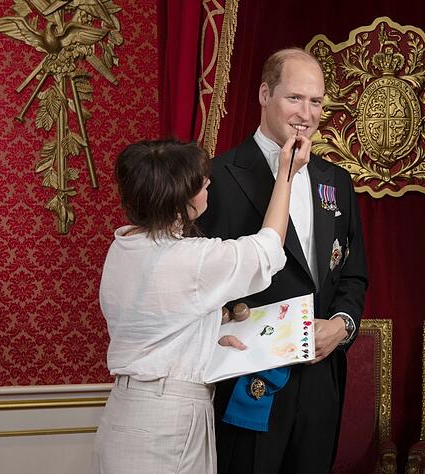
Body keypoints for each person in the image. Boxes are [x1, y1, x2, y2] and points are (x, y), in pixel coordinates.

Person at [196, 48, 368, 474]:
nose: (306, 114)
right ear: (263, 94)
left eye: (316, 101)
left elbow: (353, 274)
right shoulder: (217, 177)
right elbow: (197, 277)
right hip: (249, 378)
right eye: (294, 98)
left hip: (320, 376)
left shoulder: (337, 181)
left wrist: (342, 325)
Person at [93, 138, 309, 474]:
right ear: (178, 197)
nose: (208, 182)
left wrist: (208, 329)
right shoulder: (190, 260)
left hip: (125, 409)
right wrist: (286, 175)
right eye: (199, 180)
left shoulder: (122, 247)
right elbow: (268, 249)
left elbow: (159, 319)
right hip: (169, 420)